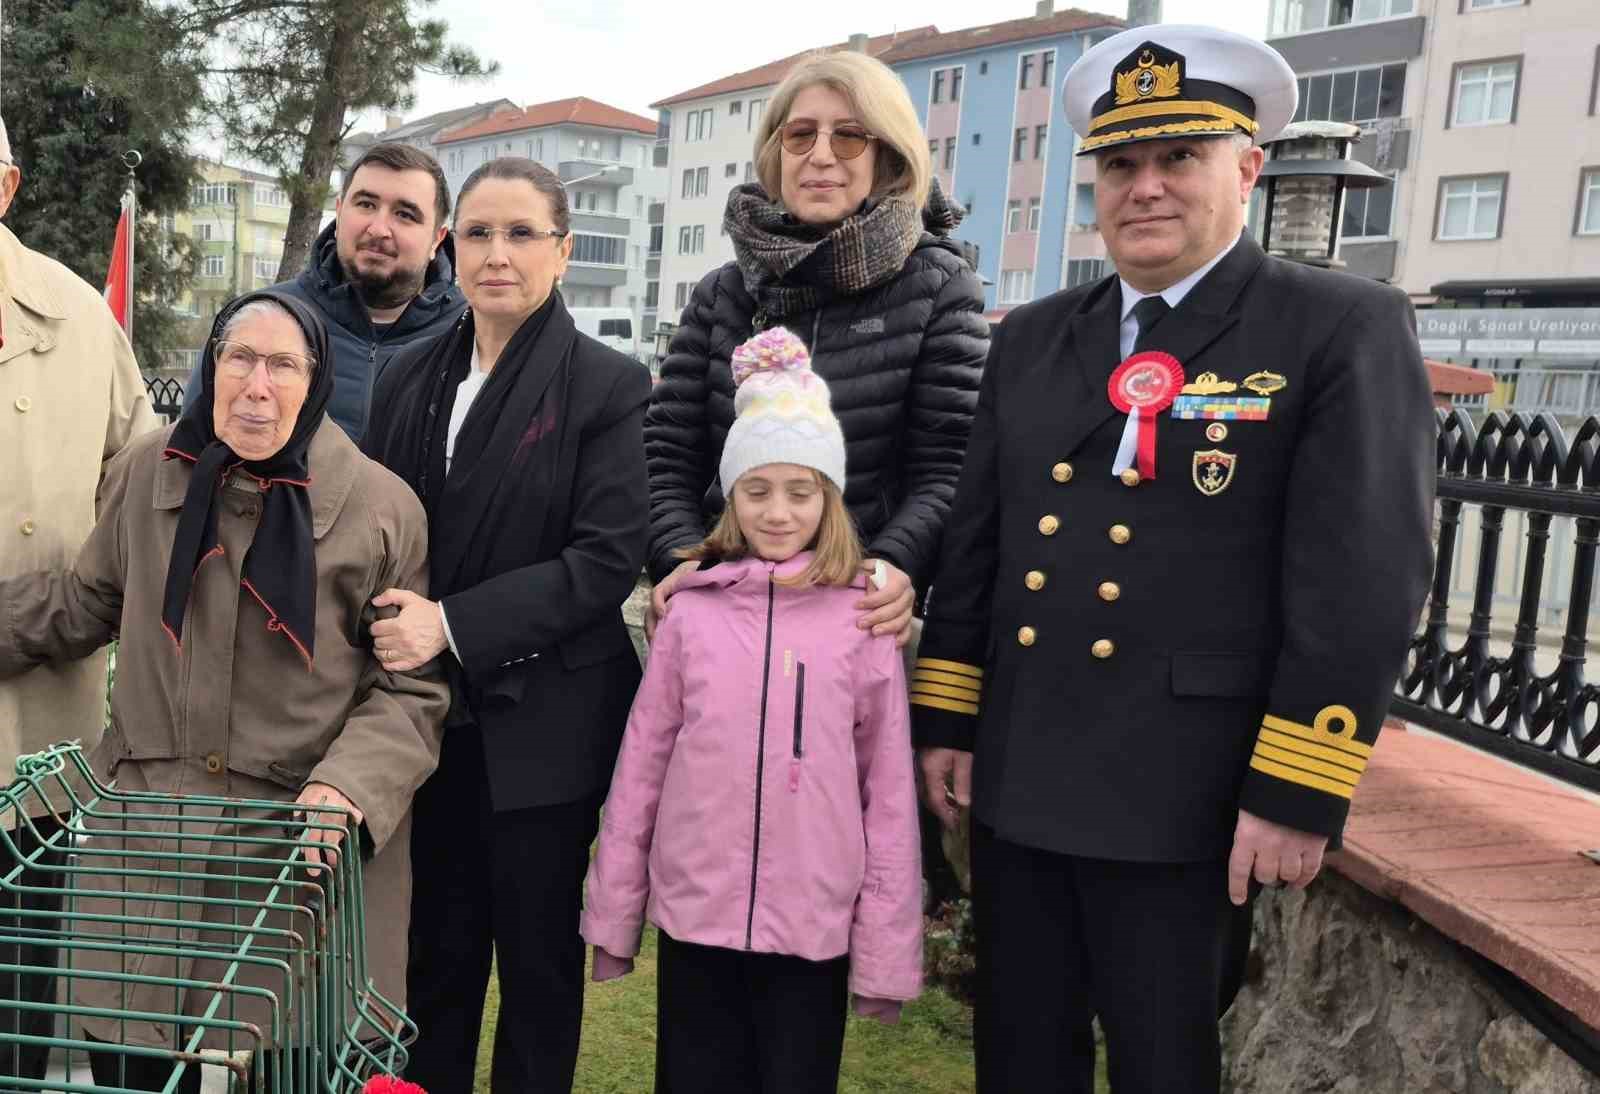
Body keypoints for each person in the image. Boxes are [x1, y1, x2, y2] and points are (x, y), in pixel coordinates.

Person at [910, 25, 1436, 1094]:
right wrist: (949, 722)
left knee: (1165, 1063)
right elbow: (978, 546)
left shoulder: (1335, 326)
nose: (1143, 187)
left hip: (1186, 790)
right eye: (1119, 165)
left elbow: (1362, 578)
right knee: (1017, 1055)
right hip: (1024, 771)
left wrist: (1296, 783)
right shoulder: (1033, 336)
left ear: (1246, 168)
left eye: (1176, 159)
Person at [0, 288, 449, 1091]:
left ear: (317, 380)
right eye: (239, 358)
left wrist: (348, 784)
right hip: (144, 838)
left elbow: (410, 691)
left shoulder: (382, 509)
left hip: (289, 850)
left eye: (283, 364)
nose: (256, 385)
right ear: (211, 367)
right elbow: (84, 604)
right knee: (127, 1063)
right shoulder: (149, 472)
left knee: (274, 1066)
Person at [361, 157, 650, 1094]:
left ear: (562, 252)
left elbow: (604, 563)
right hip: (424, 719)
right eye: (479, 232)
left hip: (545, 728)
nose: (497, 254)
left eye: (521, 234)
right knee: (430, 963)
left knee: (534, 973)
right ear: (451, 248)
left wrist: (449, 623)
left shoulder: (608, 384)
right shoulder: (409, 376)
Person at [583, 327, 921, 1094]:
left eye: (800, 492)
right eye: (756, 490)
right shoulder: (691, 616)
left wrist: (885, 952)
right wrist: (613, 916)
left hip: (814, 924)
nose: (777, 512)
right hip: (698, 915)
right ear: (730, 495)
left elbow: (889, 795)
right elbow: (640, 773)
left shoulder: (862, 621)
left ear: (828, 497)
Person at [645, 49, 989, 645]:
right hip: (726, 607)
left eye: (850, 136)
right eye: (800, 134)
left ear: (887, 154)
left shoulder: (935, 286)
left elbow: (948, 464)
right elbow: (667, 458)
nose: (821, 155)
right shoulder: (721, 294)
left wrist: (892, 564)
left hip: (861, 614)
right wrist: (682, 562)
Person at [0, 112, 161, 1084]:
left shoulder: (72, 312)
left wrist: (77, 597)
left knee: (18, 1004)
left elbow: (142, 490)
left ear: (6, 185)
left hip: (39, 744)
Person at [183, 142, 467, 441]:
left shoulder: (473, 336)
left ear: (438, 238)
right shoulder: (262, 319)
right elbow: (191, 451)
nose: (379, 229)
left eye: (405, 214)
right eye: (366, 205)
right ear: (340, 210)